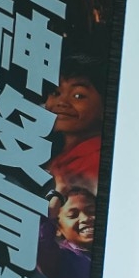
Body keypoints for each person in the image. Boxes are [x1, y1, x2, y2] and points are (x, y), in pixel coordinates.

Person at [46, 57, 104, 193]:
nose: (61, 102)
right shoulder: (61, 157)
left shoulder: (94, 163)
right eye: (56, 93)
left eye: (78, 96)